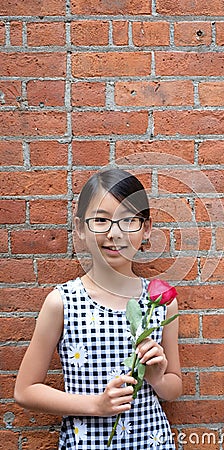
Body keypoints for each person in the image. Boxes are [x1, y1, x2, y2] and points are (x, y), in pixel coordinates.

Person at [14, 168, 182, 449]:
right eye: (101, 220)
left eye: (129, 220)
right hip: (88, 443)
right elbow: (25, 391)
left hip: (151, 441)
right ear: (80, 227)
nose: (114, 233)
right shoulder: (63, 301)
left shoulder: (161, 301)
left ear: (147, 228)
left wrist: (156, 378)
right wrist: (97, 405)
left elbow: (174, 387)